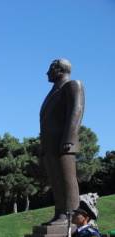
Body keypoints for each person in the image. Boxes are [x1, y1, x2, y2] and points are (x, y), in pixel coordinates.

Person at [39, 59, 84, 226]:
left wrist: (69, 139)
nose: (47, 73)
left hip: (63, 142)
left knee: (66, 178)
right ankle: (60, 212)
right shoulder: (54, 91)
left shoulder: (72, 85)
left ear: (59, 70)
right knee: (56, 179)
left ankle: (71, 214)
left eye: (50, 69)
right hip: (50, 144)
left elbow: (76, 111)